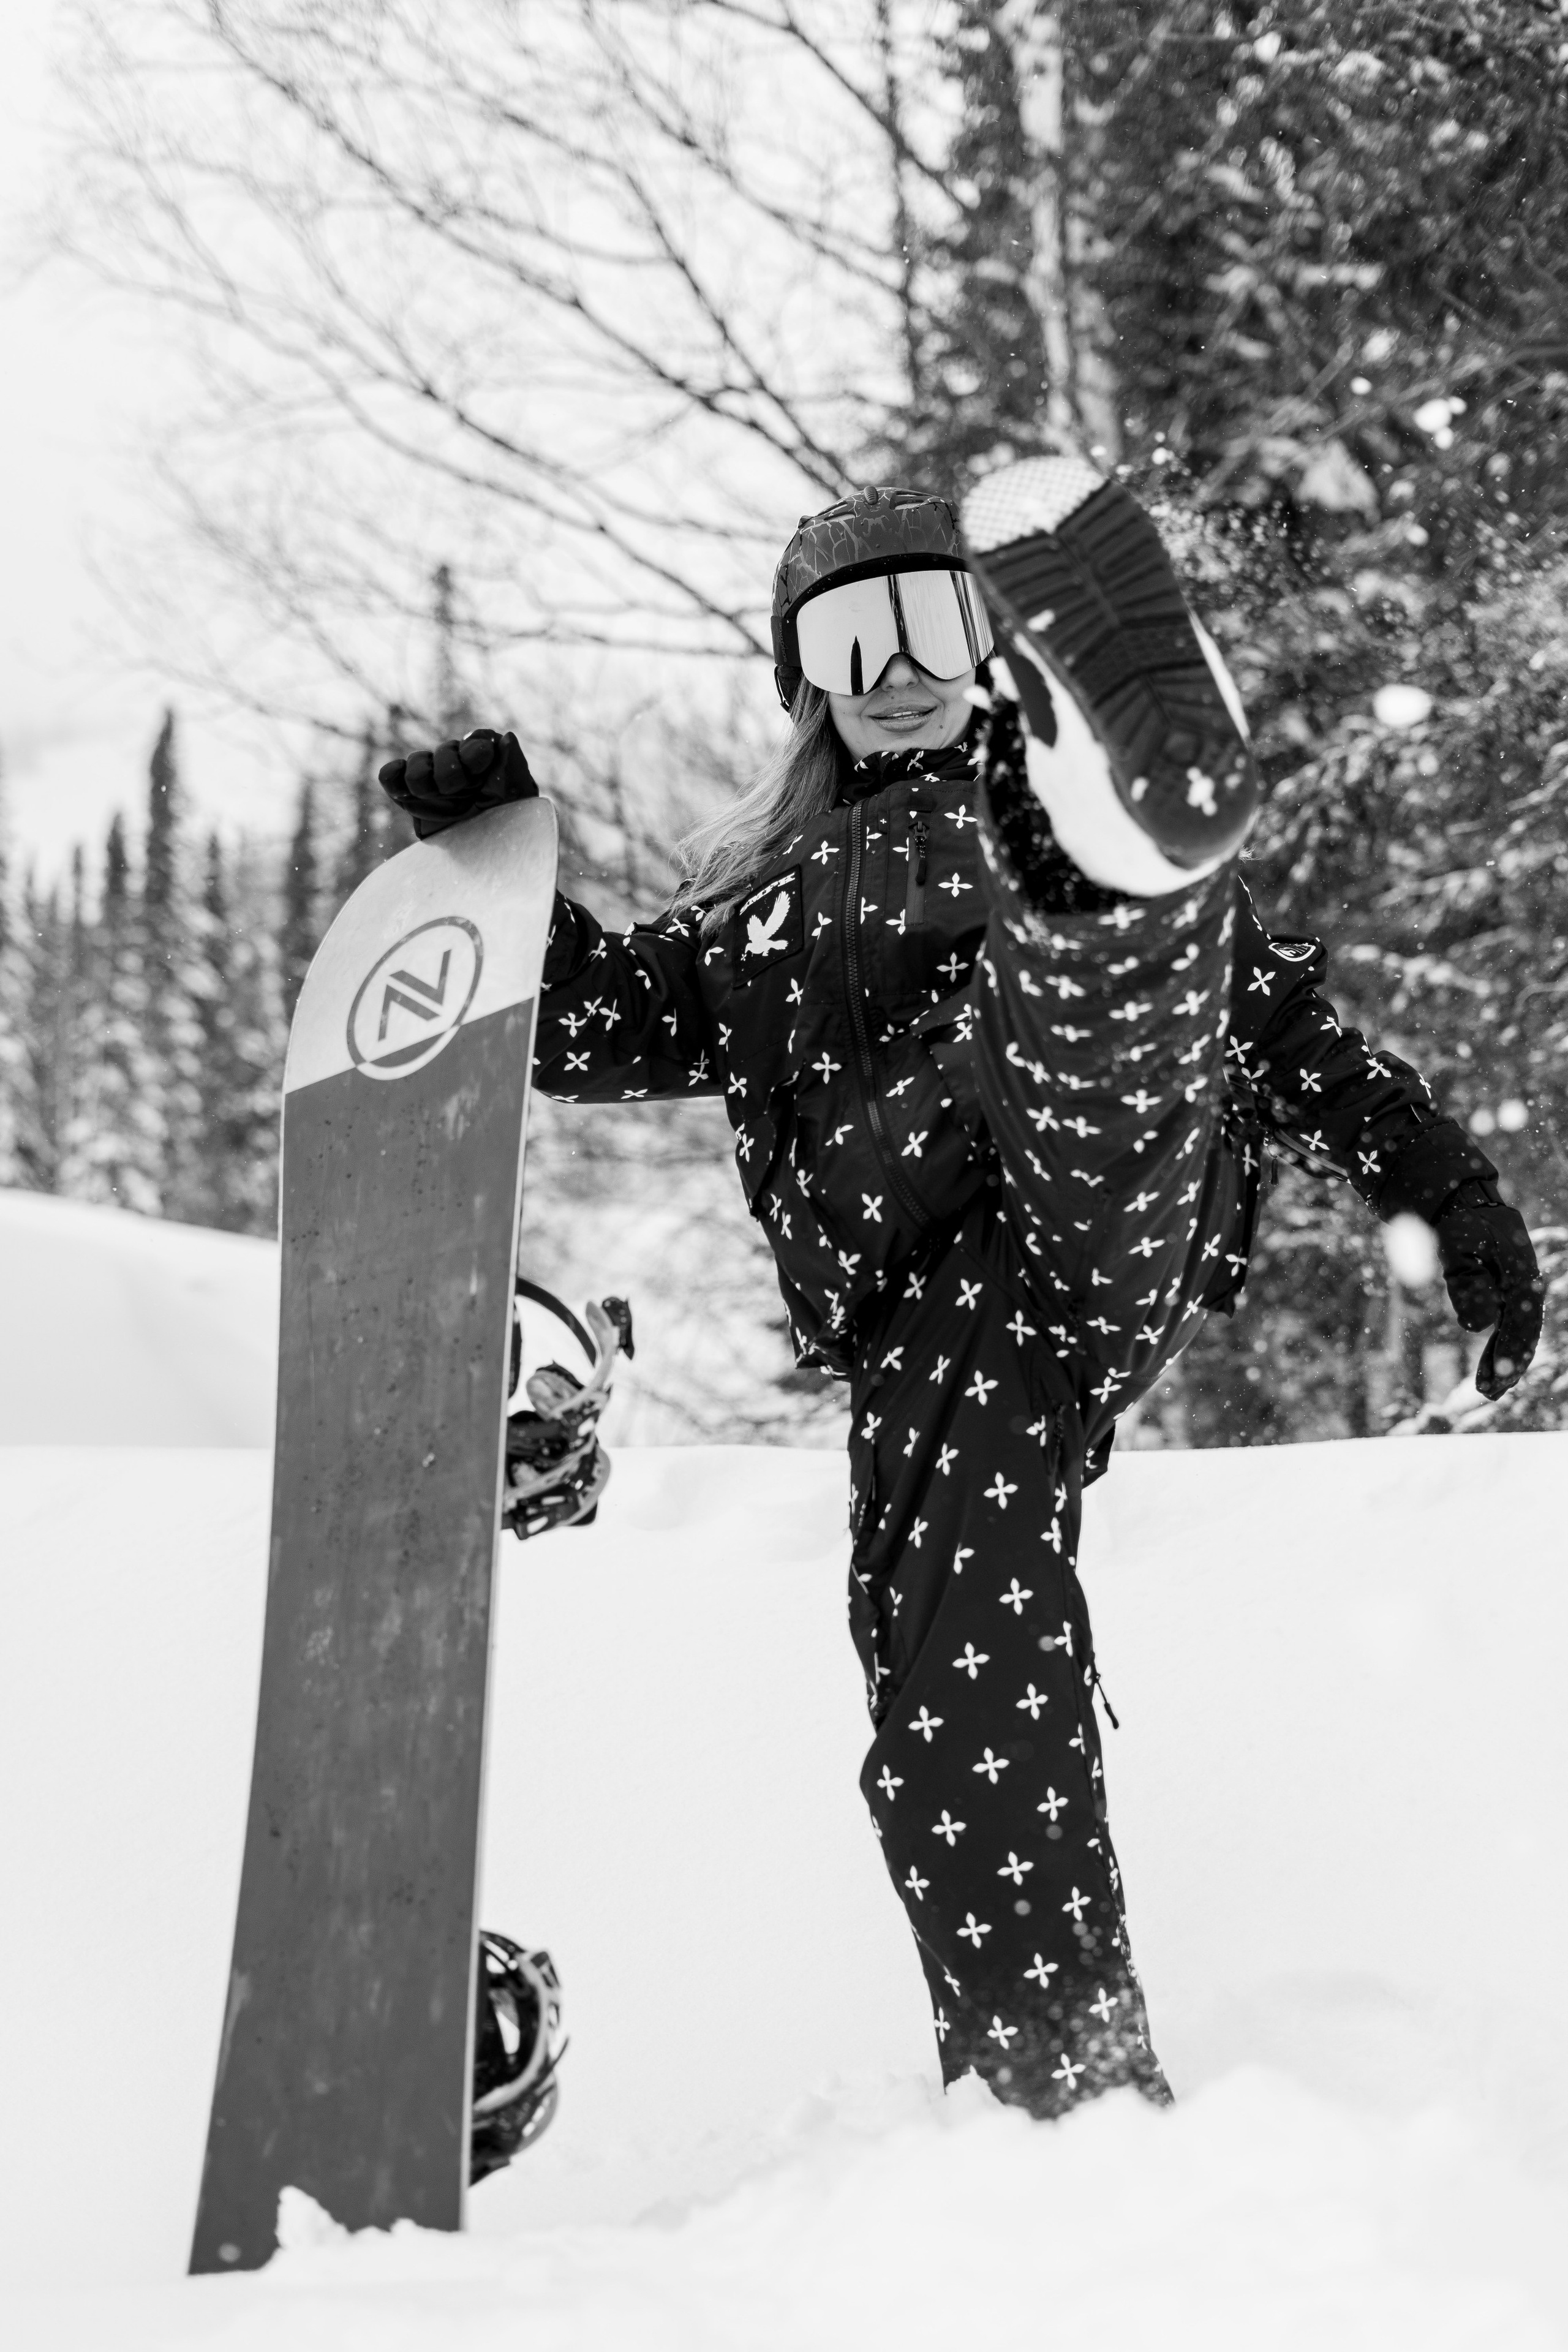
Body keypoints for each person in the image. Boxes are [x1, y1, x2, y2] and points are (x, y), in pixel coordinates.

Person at [380, 458, 1542, 2116]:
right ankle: (1054, 2086)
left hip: (1091, 1196)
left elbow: (1305, 1049)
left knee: (1071, 1028)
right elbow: (593, 1028)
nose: (901, 666)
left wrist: (1447, 1194)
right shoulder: (757, 926)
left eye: (934, 619)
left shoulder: (989, 825)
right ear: (809, 693)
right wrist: (488, 850)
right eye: (853, 643)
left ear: (993, 641)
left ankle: (1102, 892)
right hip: (940, 1321)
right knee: (947, 1666)